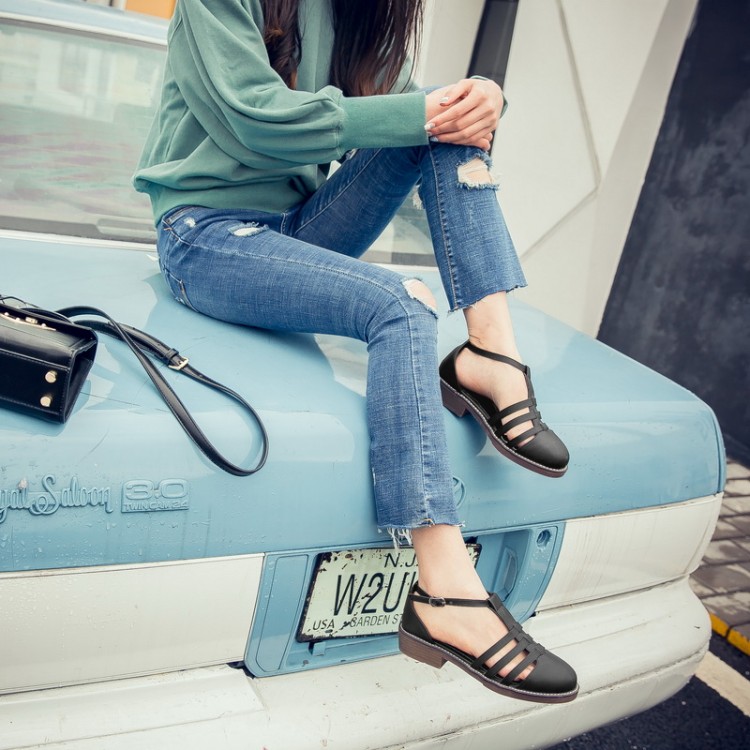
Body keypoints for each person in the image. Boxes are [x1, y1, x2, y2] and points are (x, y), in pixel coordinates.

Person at [134, 0, 577, 703]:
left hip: (300, 227)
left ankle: (492, 351)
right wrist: (426, 111)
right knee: (402, 302)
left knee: (450, 120)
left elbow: (421, 114)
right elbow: (255, 117)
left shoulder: (363, 16)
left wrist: (483, 100)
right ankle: (446, 590)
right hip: (205, 235)